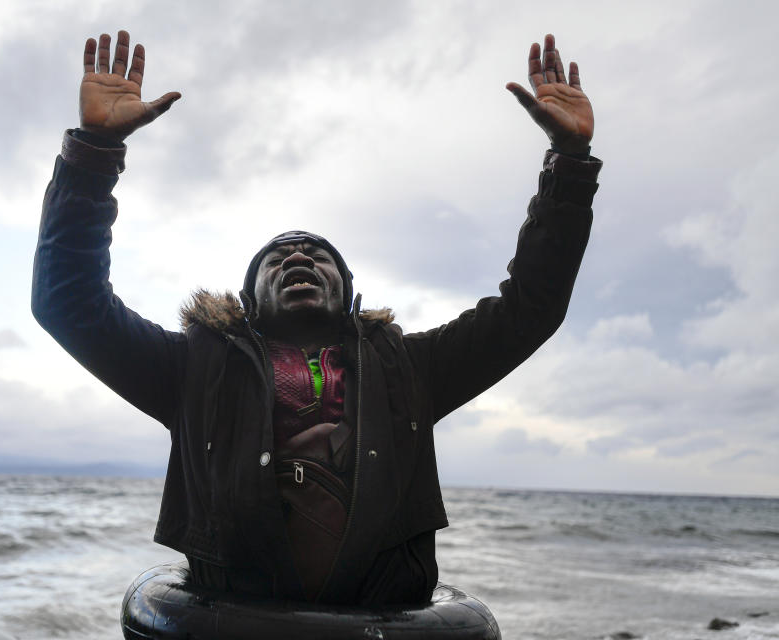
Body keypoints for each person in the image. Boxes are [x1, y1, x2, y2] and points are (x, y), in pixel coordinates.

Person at [32, 30, 601, 605]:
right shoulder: (193, 369)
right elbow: (69, 302)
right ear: (249, 300)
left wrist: (570, 164)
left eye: (319, 255)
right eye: (277, 258)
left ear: (348, 295)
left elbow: (531, 306)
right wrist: (94, 154)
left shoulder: (410, 367)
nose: (300, 256)